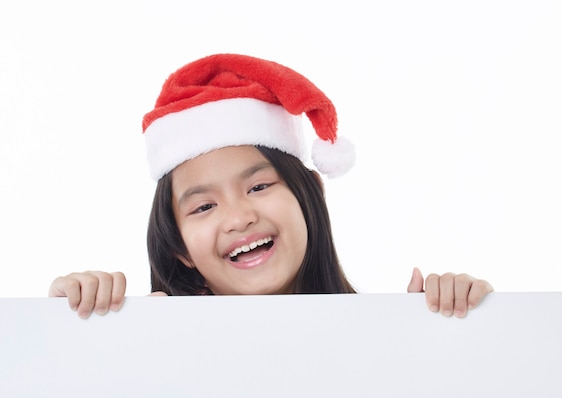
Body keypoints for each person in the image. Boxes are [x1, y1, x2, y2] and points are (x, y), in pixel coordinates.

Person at [49, 53, 493, 319]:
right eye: (203, 207)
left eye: (259, 187)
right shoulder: (145, 350)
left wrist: (449, 328)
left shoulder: (391, 335)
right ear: (179, 248)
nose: (239, 216)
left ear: (311, 194)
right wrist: (72, 323)